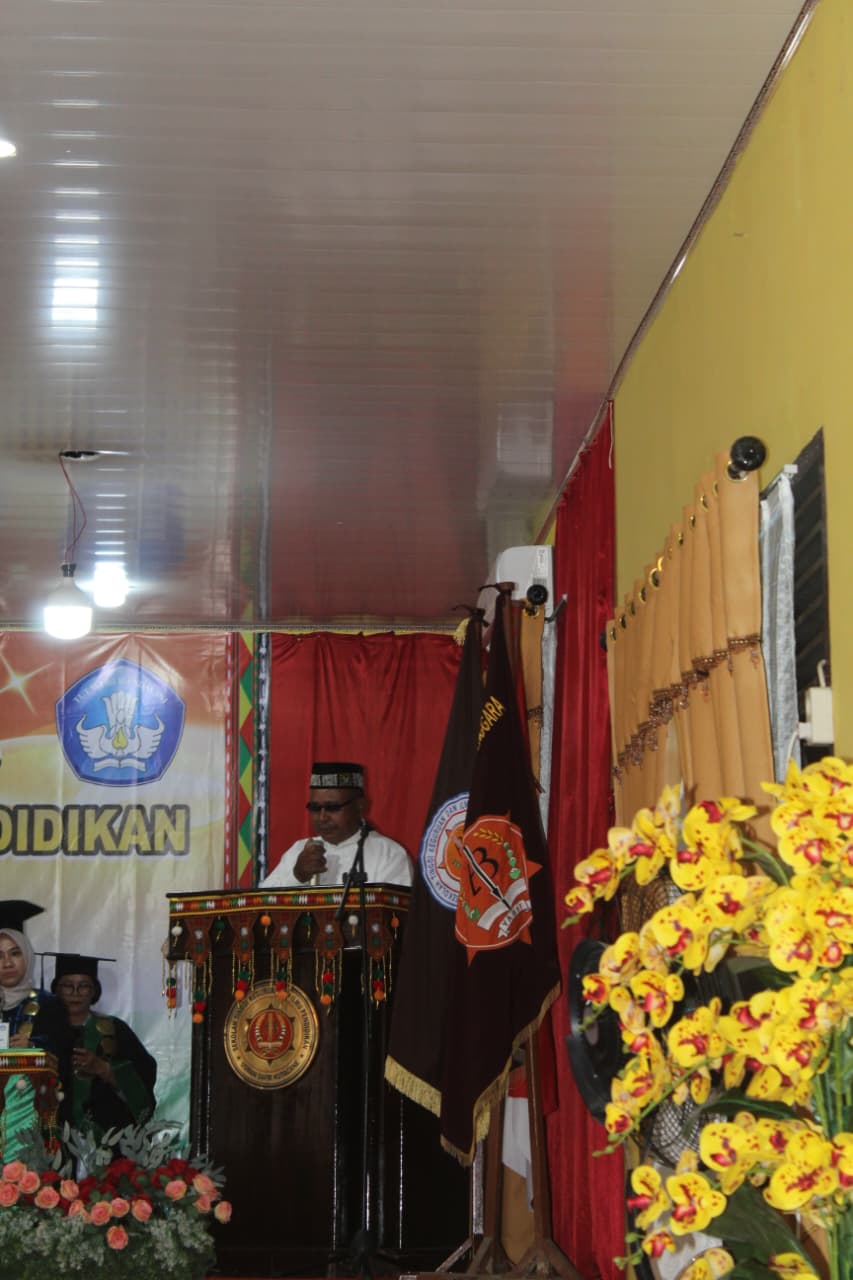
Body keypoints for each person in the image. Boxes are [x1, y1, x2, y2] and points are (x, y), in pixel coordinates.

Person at [260, 761, 413, 888]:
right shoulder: (299, 851)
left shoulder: (389, 855)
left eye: (332, 807)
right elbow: (260, 906)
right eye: (315, 808)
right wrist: (297, 876)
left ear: (360, 807)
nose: (322, 817)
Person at [51, 952, 157, 1135]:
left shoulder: (114, 1029)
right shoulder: (45, 1030)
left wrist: (104, 1069)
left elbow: (145, 1074)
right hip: (52, 1137)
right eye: (68, 985)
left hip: (109, 1137)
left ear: (94, 991)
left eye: (84, 986)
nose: (75, 992)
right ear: (56, 990)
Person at [0, 900, 68, 1052]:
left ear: (27, 955)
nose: (8, 963)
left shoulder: (50, 1005)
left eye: (15, 953)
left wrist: (33, 1047)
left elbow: (64, 1057)